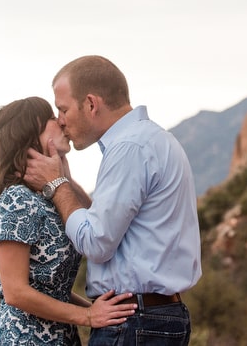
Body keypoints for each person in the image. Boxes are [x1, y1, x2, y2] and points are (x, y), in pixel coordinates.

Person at [24, 56, 202, 346]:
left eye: (64, 108)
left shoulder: (129, 148)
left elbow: (96, 242)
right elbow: (108, 223)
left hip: (134, 323)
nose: (60, 119)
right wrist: (64, 180)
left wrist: (56, 186)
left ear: (91, 104)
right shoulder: (152, 139)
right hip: (152, 317)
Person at [0, 96, 137, 345]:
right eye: (52, 118)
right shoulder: (17, 198)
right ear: (31, 134)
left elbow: (97, 226)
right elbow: (15, 292)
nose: (62, 122)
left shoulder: (48, 196)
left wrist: (95, 310)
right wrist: (88, 315)